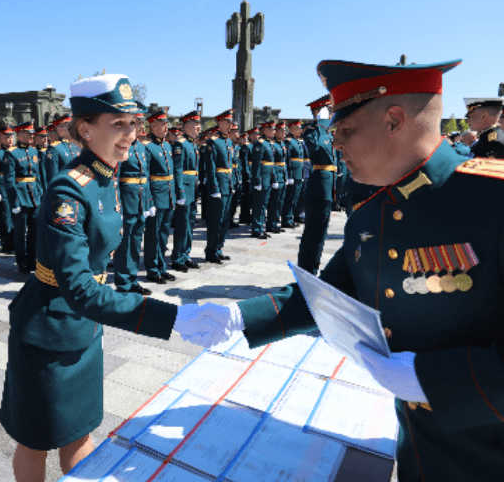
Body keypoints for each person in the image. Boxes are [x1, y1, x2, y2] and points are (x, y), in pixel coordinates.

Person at [208, 57, 504, 482]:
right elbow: (326, 298)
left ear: (394, 120)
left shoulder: (492, 200)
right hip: (423, 454)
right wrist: (238, 317)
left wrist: (429, 380)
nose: (337, 146)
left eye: (345, 131)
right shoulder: (371, 217)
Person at [0, 74, 230, 482]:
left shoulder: (105, 176)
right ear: (85, 128)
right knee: (36, 440)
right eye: (118, 124)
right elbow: (80, 288)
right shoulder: (69, 190)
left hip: (84, 328)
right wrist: (173, 317)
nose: (130, 135)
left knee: (78, 433)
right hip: (50, 330)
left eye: (134, 124)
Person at [113, 112, 153, 295]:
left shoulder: (143, 148)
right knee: (125, 244)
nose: (141, 128)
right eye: (138, 124)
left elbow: (146, 177)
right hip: (127, 201)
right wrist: (118, 205)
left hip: (140, 201)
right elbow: (116, 178)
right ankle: (123, 282)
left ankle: (133, 278)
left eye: (142, 124)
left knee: (136, 243)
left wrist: (149, 202)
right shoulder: (121, 146)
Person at [297, 96, 337, 273]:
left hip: (329, 186)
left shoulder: (328, 131)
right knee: (313, 234)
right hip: (318, 188)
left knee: (321, 233)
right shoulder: (312, 131)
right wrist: (322, 121)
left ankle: (313, 269)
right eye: (327, 110)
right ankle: (306, 271)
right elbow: (317, 146)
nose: (330, 113)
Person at [3, 121, 43, 273]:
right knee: (20, 231)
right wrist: (14, 202)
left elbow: (38, 176)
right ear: (20, 135)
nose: (32, 136)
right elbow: (9, 180)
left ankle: (33, 259)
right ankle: (22, 260)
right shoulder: (11, 153)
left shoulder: (34, 152)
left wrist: (41, 195)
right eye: (29, 133)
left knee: (34, 230)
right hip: (20, 196)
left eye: (33, 134)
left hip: (34, 196)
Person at [143, 109, 176, 282]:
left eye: (166, 124)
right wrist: (149, 201)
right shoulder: (148, 147)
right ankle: (152, 269)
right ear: (153, 125)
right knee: (153, 235)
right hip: (156, 195)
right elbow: (146, 176)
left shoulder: (167, 145)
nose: (166, 127)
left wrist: (175, 195)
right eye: (162, 124)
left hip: (168, 194)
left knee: (164, 234)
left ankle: (161, 266)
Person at [171, 111, 201, 272]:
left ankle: (185, 254)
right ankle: (178, 257)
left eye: (199, 124)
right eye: (196, 124)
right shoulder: (180, 144)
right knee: (182, 225)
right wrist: (180, 192)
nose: (198, 127)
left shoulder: (192, 143)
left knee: (190, 224)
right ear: (187, 126)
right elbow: (177, 170)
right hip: (185, 189)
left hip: (193, 188)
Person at [204, 109, 235, 262]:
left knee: (225, 220)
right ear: (220, 123)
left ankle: (219, 248)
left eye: (231, 122)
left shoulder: (229, 142)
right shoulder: (213, 142)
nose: (231, 125)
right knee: (216, 220)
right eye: (228, 122)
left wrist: (233, 183)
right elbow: (210, 167)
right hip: (219, 186)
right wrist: (214, 188)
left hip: (228, 185)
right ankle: (211, 251)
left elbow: (231, 166)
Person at [0, 124, 16, 253]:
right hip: (3, 187)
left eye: (11, 136)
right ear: (0, 138)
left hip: (15, 188)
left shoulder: (16, 152)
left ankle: (14, 241)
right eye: (7, 137)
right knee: (5, 217)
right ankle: (6, 243)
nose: (10, 139)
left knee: (16, 217)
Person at [250, 121, 275, 239]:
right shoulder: (259, 144)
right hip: (262, 179)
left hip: (267, 178)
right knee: (259, 204)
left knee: (264, 204)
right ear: (264, 130)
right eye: (271, 129)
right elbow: (256, 164)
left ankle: (260, 227)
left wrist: (273, 178)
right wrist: (257, 180)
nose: (273, 131)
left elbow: (271, 164)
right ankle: (256, 228)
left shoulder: (268, 143)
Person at [282, 120, 305, 228]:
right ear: (292, 128)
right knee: (290, 197)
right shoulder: (289, 141)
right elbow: (288, 160)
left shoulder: (297, 141)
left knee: (297, 196)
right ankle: (286, 219)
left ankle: (294, 216)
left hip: (299, 173)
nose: (300, 130)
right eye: (298, 128)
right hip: (293, 173)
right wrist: (289, 175)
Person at [266, 122, 288, 234]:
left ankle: (275, 222)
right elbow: (272, 163)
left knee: (280, 201)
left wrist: (287, 176)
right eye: (282, 131)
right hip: (276, 176)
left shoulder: (282, 144)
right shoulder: (273, 145)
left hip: (282, 175)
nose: (284, 133)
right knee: (274, 201)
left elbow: (285, 162)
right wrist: (274, 178)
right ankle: (271, 224)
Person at [44, 114, 76, 184]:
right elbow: (53, 177)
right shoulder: (55, 148)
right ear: (59, 129)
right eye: (67, 125)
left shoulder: (77, 147)